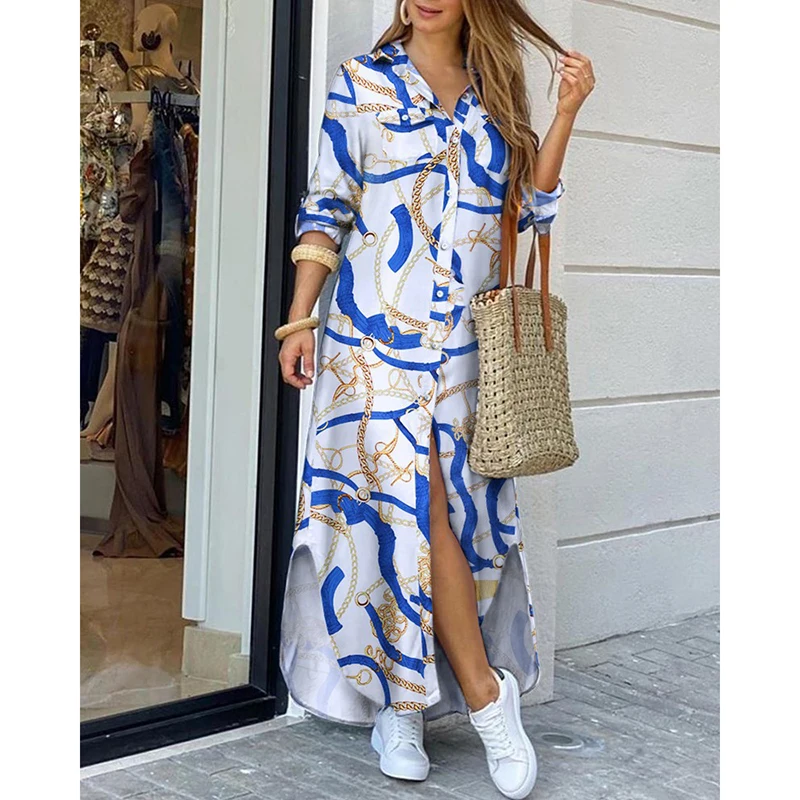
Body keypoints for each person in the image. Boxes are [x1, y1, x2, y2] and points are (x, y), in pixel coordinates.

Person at [276, 2, 594, 797]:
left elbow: (530, 211)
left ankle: (409, 704)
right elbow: (327, 206)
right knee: (401, 514)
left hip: (461, 355)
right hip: (369, 348)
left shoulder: (495, 94)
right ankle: (476, 701)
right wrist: (299, 318)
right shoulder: (362, 83)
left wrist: (565, 112)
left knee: (440, 516)